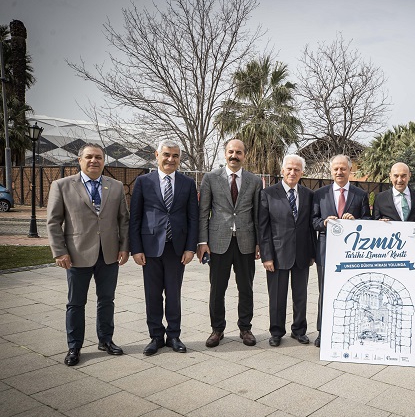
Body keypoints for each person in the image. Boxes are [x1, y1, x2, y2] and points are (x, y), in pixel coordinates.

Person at [47, 143, 130, 366]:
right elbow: (54, 222)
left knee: (107, 300)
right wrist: (59, 252)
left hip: (109, 254)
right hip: (76, 254)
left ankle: (106, 340)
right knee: (75, 302)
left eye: (99, 157)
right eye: (89, 157)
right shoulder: (62, 185)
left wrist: (124, 247)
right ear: (80, 160)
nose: (94, 161)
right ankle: (74, 346)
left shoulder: (115, 186)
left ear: (104, 161)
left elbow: (124, 219)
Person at [129, 140, 199, 356]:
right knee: (152, 294)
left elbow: (193, 218)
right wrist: (136, 249)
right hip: (150, 248)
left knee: (173, 294)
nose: (171, 159)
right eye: (167, 155)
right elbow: (136, 218)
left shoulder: (188, 184)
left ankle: (174, 335)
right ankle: (156, 337)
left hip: (176, 248)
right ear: (157, 155)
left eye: (176, 156)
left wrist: (190, 248)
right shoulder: (143, 182)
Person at [198, 139, 262, 348]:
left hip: (246, 242)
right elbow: (203, 212)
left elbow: (257, 214)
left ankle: (246, 328)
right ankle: (217, 329)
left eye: (239, 152)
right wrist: (203, 241)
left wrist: (259, 243)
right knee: (217, 288)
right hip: (218, 242)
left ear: (245, 155)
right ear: (224, 154)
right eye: (231, 152)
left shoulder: (254, 180)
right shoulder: (210, 178)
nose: (234, 156)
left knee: (246, 288)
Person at [312, 154, 371, 347]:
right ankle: (323, 331)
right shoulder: (319, 194)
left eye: (343, 168)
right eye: (336, 169)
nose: (339, 172)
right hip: (325, 251)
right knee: (325, 292)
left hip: (351, 254)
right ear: (331, 171)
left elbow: (368, 222)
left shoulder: (360, 194)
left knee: (352, 293)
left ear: (350, 170)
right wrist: (324, 223)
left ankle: (352, 331)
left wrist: (355, 222)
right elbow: (313, 221)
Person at [259, 154, 316, 346]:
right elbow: (263, 227)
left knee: (300, 295)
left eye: (297, 169)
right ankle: (276, 332)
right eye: (289, 169)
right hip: (277, 254)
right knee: (277, 296)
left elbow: (309, 226)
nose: (293, 172)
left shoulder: (308, 194)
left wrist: (312, 253)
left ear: (302, 172)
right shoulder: (268, 193)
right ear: (282, 170)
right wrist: (267, 256)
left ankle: (299, 330)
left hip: (302, 254)